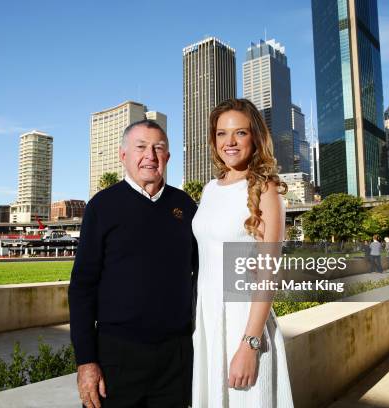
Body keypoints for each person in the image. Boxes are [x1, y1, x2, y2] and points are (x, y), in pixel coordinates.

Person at [69, 119, 198, 408]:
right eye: (141, 147)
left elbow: (206, 271)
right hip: (116, 357)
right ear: (123, 155)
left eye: (158, 148)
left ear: (167, 156)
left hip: (175, 358)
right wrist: (86, 361)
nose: (150, 156)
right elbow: (81, 288)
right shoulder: (102, 206)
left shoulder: (186, 206)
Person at [192, 98, 293, 407]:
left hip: (244, 322)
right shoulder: (209, 189)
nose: (230, 142)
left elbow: (268, 272)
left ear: (255, 138)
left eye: (240, 133)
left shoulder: (266, 189)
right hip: (207, 320)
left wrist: (250, 344)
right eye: (222, 134)